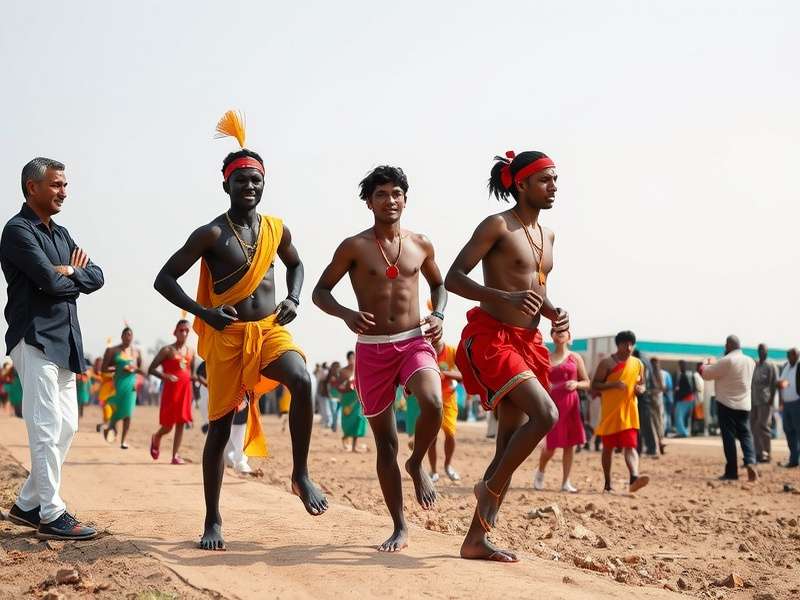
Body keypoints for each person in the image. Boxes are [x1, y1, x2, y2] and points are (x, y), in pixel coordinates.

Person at [153, 113, 327, 550]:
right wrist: (204, 313)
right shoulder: (211, 233)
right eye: (241, 180)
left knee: (303, 379)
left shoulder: (276, 229)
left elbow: (297, 264)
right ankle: (212, 519)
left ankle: (301, 474)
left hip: (268, 330)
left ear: (264, 184)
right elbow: (164, 279)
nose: (249, 186)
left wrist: (294, 298)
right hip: (227, 337)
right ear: (226, 185)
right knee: (218, 428)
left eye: (256, 180)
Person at [313, 164, 446, 553]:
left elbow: (439, 285)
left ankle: (417, 462)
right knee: (386, 445)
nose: (390, 200)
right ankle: (399, 526)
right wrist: (346, 314)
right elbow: (321, 292)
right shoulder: (354, 247)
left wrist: (438, 315)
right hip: (371, 350)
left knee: (433, 402)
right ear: (369, 203)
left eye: (396, 193)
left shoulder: (421, 244)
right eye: (381, 194)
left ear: (406, 199)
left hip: (413, 341)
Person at [445, 150, 569, 563]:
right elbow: (454, 278)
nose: (553, 187)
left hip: (530, 343)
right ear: (521, 184)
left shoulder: (548, 236)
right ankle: (489, 488)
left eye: (555, 179)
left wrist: (553, 311)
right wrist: (504, 296)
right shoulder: (497, 225)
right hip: (493, 337)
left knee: (506, 448)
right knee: (546, 415)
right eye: (545, 180)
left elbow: (536, 287)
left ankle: (475, 539)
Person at [1, 157, 103, 540]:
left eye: (65, 184)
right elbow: (47, 281)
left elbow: (97, 276)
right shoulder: (17, 231)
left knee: (67, 426)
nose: (64, 191)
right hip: (35, 337)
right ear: (33, 187)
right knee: (45, 426)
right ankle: (51, 513)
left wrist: (72, 271)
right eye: (56, 185)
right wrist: (66, 277)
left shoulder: (61, 234)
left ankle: (28, 504)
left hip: (65, 341)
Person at [592, 331, 649, 494]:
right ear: (618, 345)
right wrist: (614, 384)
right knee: (607, 449)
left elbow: (642, 384)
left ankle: (634, 478)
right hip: (610, 413)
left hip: (630, 412)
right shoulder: (607, 363)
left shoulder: (638, 364)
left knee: (631, 446)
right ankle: (607, 483)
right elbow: (594, 385)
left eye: (631, 344)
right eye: (625, 344)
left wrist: (641, 389)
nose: (629, 348)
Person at [534, 328, 590, 492]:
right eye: (556, 331)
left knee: (570, 445)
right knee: (551, 446)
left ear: (569, 336)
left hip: (571, 404)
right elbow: (538, 382)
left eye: (563, 330)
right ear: (551, 336)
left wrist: (577, 384)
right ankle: (540, 472)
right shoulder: (546, 358)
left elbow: (587, 382)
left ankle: (566, 482)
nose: (559, 333)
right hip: (552, 405)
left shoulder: (576, 357)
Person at [700, 335, 757, 481]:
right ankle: (751, 462)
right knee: (745, 434)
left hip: (726, 404)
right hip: (744, 404)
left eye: (726, 345)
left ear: (729, 345)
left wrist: (706, 363)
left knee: (729, 438)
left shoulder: (726, 360)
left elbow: (706, 374)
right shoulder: (750, 361)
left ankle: (732, 472)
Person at [149, 320, 196, 464]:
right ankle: (157, 436)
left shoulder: (191, 351)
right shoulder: (167, 350)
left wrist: (200, 383)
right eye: (181, 330)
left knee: (181, 422)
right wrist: (165, 376)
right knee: (168, 425)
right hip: (171, 390)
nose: (184, 333)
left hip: (185, 391)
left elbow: (191, 373)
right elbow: (151, 369)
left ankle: (175, 455)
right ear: (175, 332)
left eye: (186, 331)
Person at [101, 327, 144, 449]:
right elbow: (103, 368)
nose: (128, 337)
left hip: (131, 387)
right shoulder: (113, 350)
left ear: (132, 337)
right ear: (121, 336)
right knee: (116, 410)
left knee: (128, 413)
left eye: (130, 335)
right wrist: (118, 368)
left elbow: (140, 370)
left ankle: (123, 441)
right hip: (118, 385)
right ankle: (109, 428)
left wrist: (135, 372)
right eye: (125, 335)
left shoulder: (136, 352)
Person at [428, 339, 463, 482]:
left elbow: (463, 375)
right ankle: (433, 471)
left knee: (450, 433)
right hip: (430, 398)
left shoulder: (451, 351)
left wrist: (445, 374)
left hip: (448, 399)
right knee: (431, 436)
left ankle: (448, 466)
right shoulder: (425, 350)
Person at [750, 344, 778, 463]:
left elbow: (774, 383)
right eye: (760, 350)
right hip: (754, 400)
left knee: (763, 426)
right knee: (753, 426)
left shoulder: (771, 365)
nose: (762, 352)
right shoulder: (756, 365)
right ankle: (758, 453)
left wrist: (772, 399)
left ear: (767, 352)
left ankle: (767, 453)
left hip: (765, 400)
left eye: (764, 350)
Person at [337, 351, 367, 452]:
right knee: (348, 422)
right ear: (347, 359)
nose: (352, 360)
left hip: (357, 398)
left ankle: (354, 446)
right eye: (351, 358)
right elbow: (338, 386)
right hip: (347, 399)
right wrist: (346, 385)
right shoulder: (343, 371)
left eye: (354, 358)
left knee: (358, 419)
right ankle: (345, 437)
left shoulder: (360, 370)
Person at [777, 347, 799, 468]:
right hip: (786, 405)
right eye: (789, 356)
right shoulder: (786, 366)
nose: (790, 358)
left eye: (792, 355)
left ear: (797, 355)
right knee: (788, 430)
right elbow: (781, 384)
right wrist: (781, 402)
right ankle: (794, 459)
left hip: (797, 403)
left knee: (798, 431)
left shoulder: (799, 366)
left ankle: (795, 458)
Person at [646, 357, 666, 455]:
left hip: (654, 400)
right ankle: (660, 442)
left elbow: (661, 387)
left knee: (655, 422)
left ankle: (659, 442)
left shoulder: (654, 373)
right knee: (657, 422)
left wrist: (650, 392)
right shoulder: (656, 373)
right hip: (656, 400)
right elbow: (662, 387)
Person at [673, 360, 695, 437]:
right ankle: (683, 432)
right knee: (683, 417)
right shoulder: (688, 375)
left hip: (684, 399)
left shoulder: (683, 376)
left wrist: (678, 392)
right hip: (689, 398)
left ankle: (682, 433)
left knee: (678, 416)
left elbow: (687, 389)